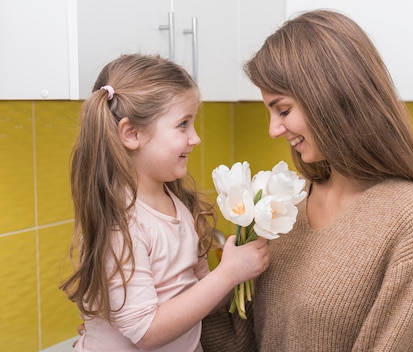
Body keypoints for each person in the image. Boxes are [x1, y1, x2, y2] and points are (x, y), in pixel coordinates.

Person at [201, 9, 413, 352]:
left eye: (282, 110)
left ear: (329, 97)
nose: (273, 130)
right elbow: (239, 342)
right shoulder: (285, 207)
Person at [60, 54, 270, 352]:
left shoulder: (177, 202)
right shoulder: (122, 223)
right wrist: (228, 273)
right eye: (183, 124)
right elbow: (146, 333)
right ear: (132, 134)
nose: (195, 138)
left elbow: (200, 298)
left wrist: (235, 270)